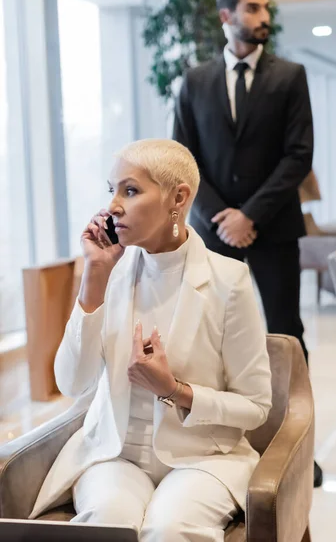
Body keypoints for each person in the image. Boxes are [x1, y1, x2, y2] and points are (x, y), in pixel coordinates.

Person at [29, 139, 272, 541]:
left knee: (169, 528)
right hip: (115, 454)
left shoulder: (229, 282)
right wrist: (94, 279)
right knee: (109, 522)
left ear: (178, 197)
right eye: (112, 191)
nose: (113, 207)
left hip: (202, 458)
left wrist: (176, 390)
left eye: (130, 190)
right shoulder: (109, 271)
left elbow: (256, 406)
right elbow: (71, 383)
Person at [173, 0, 322, 487]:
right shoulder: (194, 81)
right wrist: (221, 216)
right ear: (226, 16)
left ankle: (296, 446)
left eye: (265, 9)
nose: (264, 17)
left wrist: (249, 215)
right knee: (211, 337)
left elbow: (299, 155)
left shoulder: (291, 75)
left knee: (286, 334)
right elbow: (183, 159)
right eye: (253, 8)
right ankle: (217, 443)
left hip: (274, 228)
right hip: (212, 232)